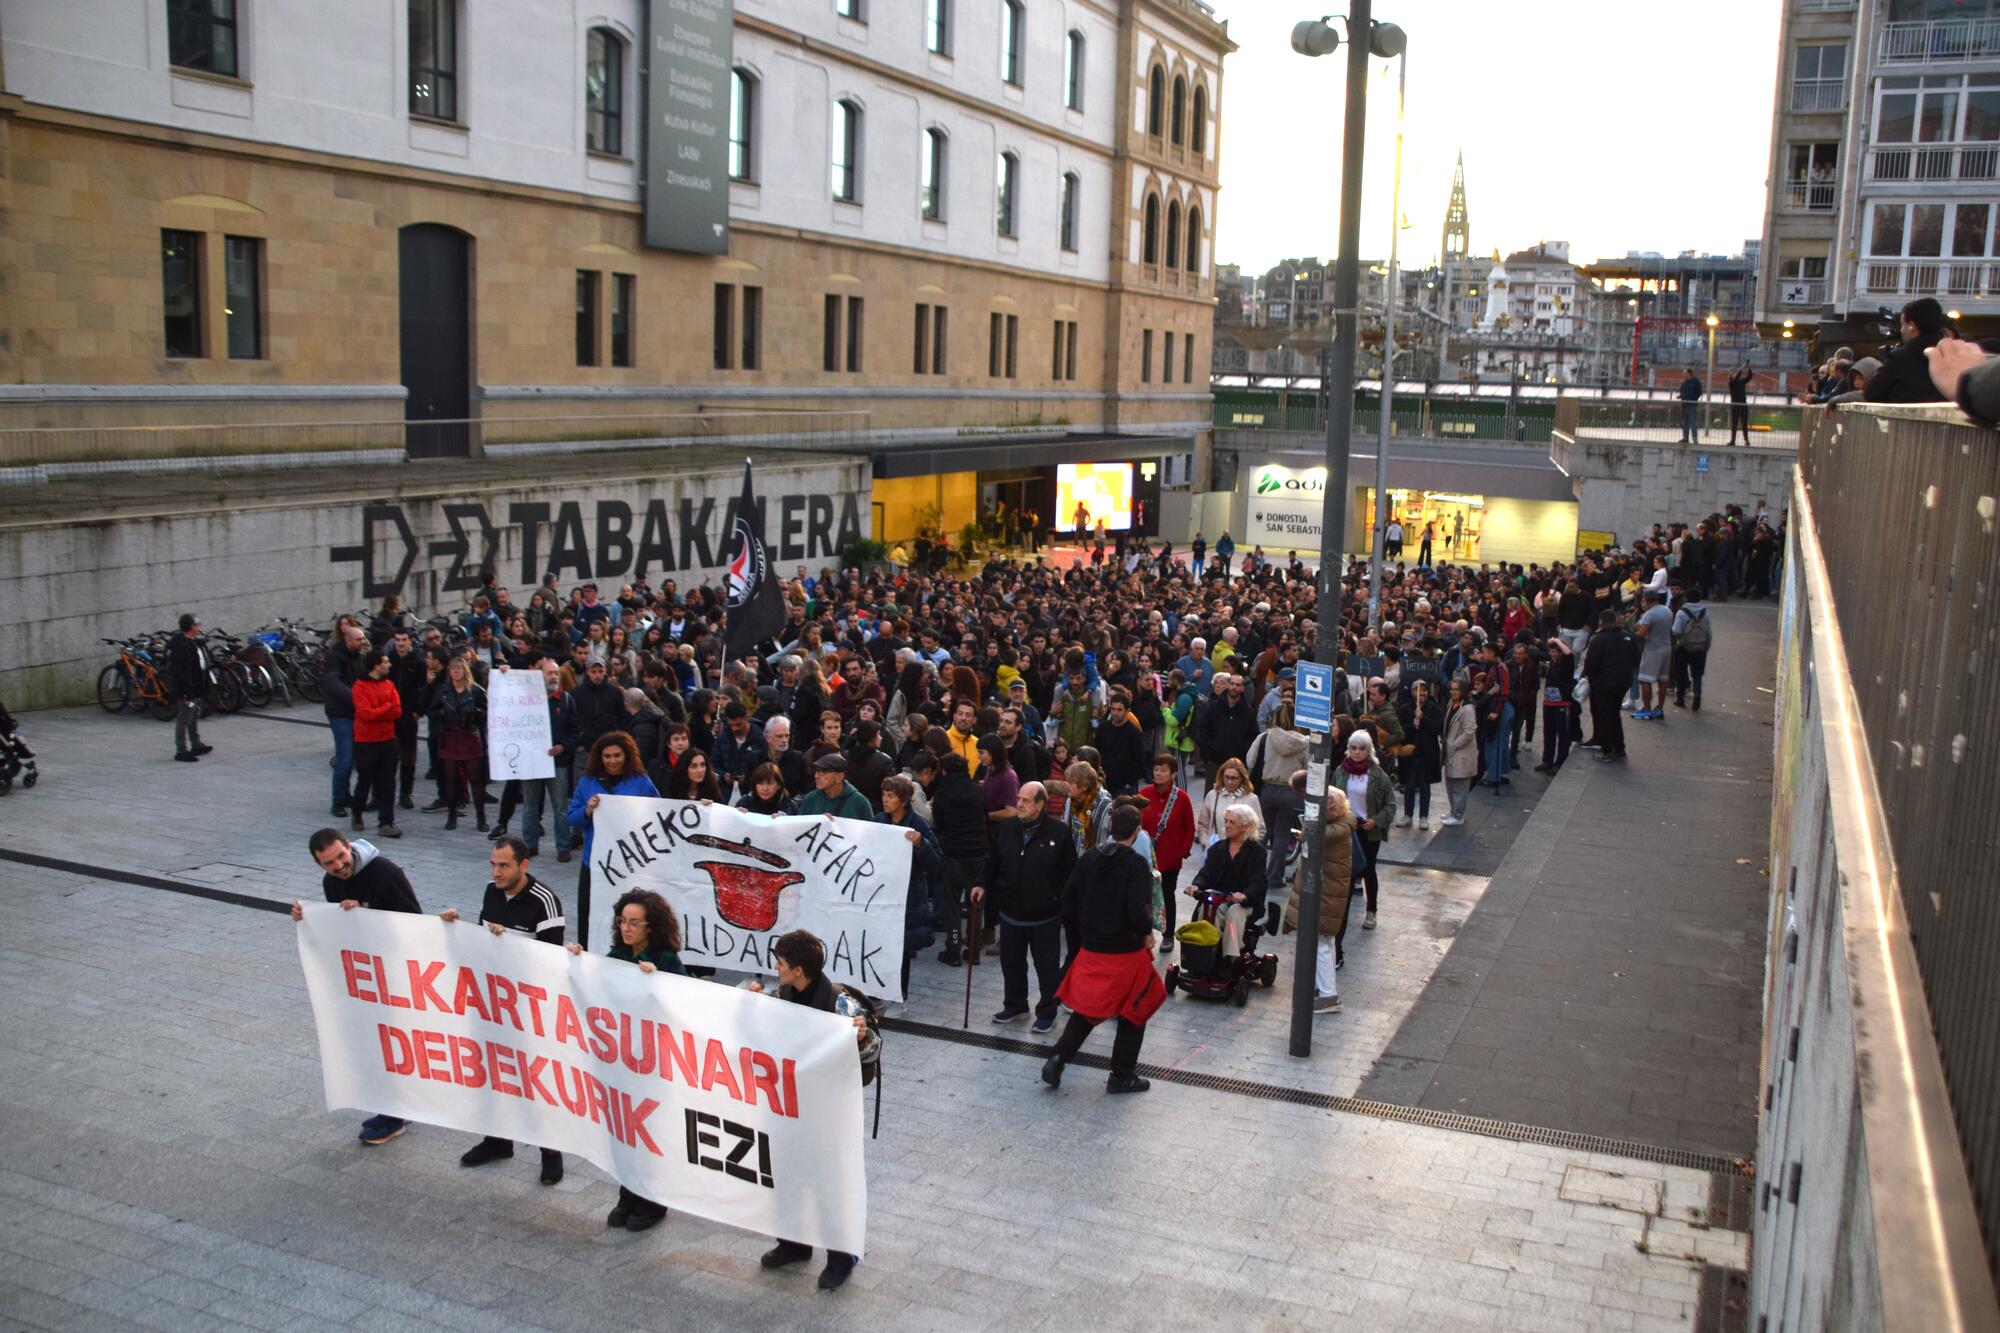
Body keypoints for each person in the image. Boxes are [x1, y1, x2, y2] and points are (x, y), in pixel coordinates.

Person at [441, 837, 568, 1185]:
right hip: (491, 1004)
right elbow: (482, 943)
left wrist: (507, 944)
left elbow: (550, 964)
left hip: (528, 1010)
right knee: (493, 1074)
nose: (496, 872)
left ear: (523, 866)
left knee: (534, 1082)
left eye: (504, 866)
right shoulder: (490, 892)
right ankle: (498, 1140)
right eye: (493, 865)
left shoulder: (546, 903)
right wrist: (456, 928)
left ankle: (550, 1152)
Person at [749, 930, 869, 1291]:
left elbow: (873, 1049)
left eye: (781, 963)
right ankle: (793, 1243)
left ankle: (840, 1256)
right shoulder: (783, 994)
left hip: (827, 1113)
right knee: (788, 1177)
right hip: (789, 1107)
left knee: (829, 1184)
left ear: (799, 970)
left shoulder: (840, 1003)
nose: (776, 968)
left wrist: (861, 1038)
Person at [291, 828, 423, 1145]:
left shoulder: (386, 873)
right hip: (367, 975)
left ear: (349, 846)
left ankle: (395, 1113)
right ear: (319, 865)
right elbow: (338, 929)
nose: (338, 866)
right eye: (328, 863)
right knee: (374, 1042)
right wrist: (307, 918)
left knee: (390, 1043)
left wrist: (366, 915)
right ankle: (393, 1107)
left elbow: (415, 920)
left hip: (394, 972)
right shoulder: (331, 882)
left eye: (340, 856)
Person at [564, 889, 684, 1231]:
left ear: (651, 927)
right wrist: (579, 960)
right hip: (621, 1059)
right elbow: (596, 986)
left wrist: (657, 983)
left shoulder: (667, 960)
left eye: (635, 922)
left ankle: (653, 1200)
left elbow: (686, 1004)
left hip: (652, 1062)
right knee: (625, 1131)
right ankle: (628, 1193)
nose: (627, 928)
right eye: (623, 921)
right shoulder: (617, 954)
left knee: (648, 1134)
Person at [1041, 805, 1164, 1095]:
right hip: (1125, 952)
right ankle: (1122, 1075)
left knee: (1086, 1009)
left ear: (1110, 828)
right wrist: (1147, 932)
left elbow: (1069, 901)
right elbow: (1139, 911)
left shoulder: (1089, 859)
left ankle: (1058, 1057)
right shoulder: (1136, 865)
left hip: (1093, 948)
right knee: (1136, 1008)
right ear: (1136, 832)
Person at [972, 782, 1079, 1035]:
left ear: (1041, 804)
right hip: (1010, 912)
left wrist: (1059, 901)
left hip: (1045, 916)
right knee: (1011, 963)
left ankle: (1047, 1012)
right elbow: (992, 861)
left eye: (1026, 800)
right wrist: (981, 884)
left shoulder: (1058, 832)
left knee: (1047, 968)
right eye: (1019, 798)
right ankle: (1016, 1006)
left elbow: (1070, 873)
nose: (1019, 804)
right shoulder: (1007, 829)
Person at [567, 731, 659, 949]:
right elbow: (571, 816)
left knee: (627, 916)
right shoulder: (587, 781)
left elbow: (658, 813)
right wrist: (587, 811)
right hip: (594, 863)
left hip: (629, 864)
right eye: (607, 756)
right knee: (590, 915)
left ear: (626, 755)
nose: (612, 761)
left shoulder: (641, 782)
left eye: (617, 755)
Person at [1285, 787, 1357, 1014]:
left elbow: (1317, 836)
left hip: (1326, 893)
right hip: (1327, 891)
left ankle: (1328, 995)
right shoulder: (1340, 822)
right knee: (1323, 942)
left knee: (1321, 943)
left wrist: (1306, 829)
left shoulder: (1339, 826)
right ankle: (1324, 989)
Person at [1246, 703, 1308, 932]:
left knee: (1261, 833)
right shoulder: (1305, 743)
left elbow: (1250, 760)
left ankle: (1254, 871)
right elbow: (1308, 768)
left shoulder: (1264, 738)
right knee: (1282, 836)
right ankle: (1275, 876)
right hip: (1291, 791)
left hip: (1266, 789)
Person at [878, 775, 940, 996]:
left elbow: (935, 864)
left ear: (903, 800)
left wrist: (921, 844)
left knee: (900, 949)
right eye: (884, 795)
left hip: (908, 897)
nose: (885, 800)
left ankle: (899, 993)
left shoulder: (918, 824)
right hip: (880, 895)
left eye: (890, 796)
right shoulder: (879, 821)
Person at [929, 751, 990, 965]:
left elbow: (939, 822)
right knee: (976, 906)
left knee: (953, 906)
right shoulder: (977, 789)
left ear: (944, 770)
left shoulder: (943, 792)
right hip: (979, 855)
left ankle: (953, 949)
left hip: (954, 855)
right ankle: (973, 951)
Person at [1190, 802, 1267, 955]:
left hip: (1245, 902)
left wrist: (1245, 895)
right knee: (1206, 910)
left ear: (1245, 826)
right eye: (1226, 821)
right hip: (1221, 898)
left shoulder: (1257, 852)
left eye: (1232, 822)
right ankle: (1205, 954)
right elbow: (1206, 873)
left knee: (1234, 913)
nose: (1227, 825)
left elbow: (1258, 881)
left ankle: (1230, 957)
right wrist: (1196, 885)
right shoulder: (1217, 848)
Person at [1136, 754, 1194, 953]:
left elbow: (1189, 828)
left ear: (1173, 774)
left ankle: (1168, 934)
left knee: (1168, 895)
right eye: (1156, 769)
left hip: (1169, 859)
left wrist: (1182, 851)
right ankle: (1143, 933)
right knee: (1142, 896)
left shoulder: (1182, 798)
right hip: (1144, 858)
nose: (1158, 774)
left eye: (1163, 770)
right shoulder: (1143, 794)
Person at [1339, 730, 1393, 929]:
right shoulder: (1341, 771)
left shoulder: (1378, 775)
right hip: (1348, 828)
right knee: (1348, 871)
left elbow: (1390, 804)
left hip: (1368, 829)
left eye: (1361, 749)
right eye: (1353, 748)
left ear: (1368, 751)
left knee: (1369, 869)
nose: (1357, 752)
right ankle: (1342, 912)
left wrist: (1376, 821)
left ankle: (1371, 911)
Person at [348, 650, 403, 838]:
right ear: (376, 665)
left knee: (388, 782)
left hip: (388, 739)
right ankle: (357, 812)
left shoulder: (389, 684)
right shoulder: (360, 686)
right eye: (385, 662)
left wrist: (382, 710)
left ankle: (386, 822)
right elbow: (366, 714)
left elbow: (397, 711)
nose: (389, 664)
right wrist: (386, 707)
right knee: (365, 780)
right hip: (366, 741)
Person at [428, 656, 487, 831]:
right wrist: (441, 715)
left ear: (465, 670)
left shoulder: (475, 690)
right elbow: (430, 710)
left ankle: (480, 817)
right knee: (451, 780)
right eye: (453, 669)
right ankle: (452, 815)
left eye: (459, 668)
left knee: (476, 780)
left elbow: (487, 711)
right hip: (450, 735)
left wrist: (475, 713)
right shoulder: (444, 690)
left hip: (469, 735)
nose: (456, 671)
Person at [1865, 297, 1948, 404]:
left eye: (1902, 325)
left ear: (1911, 326)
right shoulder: (1952, 355)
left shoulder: (1900, 357)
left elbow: (1871, 393)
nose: (1901, 330)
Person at [1584, 608, 1637, 763]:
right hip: (1622, 683)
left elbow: (1591, 664)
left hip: (1603, 684)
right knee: (1614, 714)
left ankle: (1608, 749)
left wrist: (1590, 677)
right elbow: (1636, 658)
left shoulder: (1599, 639)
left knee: (1606, 716)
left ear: (1601, 622)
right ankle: (1618, 747)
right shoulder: (1628, 636)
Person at [323, 623, 365, 814]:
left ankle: (346, 795)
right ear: (348, 640)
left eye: (363, 638)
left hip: (356, 714)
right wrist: (356, 697)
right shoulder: (335, 658)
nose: (362, 642)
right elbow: (333, 682)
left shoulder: (358, 657)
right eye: (359, 639)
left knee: (354, 757)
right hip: (341, 713)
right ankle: (338, 800)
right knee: (345, 757)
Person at [1395, 678, 1442, 830]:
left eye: (1424, 690)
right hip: (1409, 754)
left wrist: (1423, 719)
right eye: (1418, 690)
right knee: (1408, 786)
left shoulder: (1433, 708)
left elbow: (1438, 728)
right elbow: (1399, 730)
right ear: (1412, 692)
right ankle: (1407, 815)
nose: (1421, 694)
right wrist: (1412, 725)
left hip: (1427, 753)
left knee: (1425, 787)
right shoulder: (1404, 708)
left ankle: (1424, 816)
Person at [167, 612, 211, 763]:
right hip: (187, 689)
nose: (200, 626)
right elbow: (181, 672)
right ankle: (181, 750)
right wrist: (186, 693)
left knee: (193, 717)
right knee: (184, 718)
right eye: (198, 624)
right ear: (191, 626)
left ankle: (196, 744)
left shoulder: (193, 642)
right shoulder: (182, 646)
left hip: (195, 686)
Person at [1536, 639, 1577, 773]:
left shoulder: (1567, 663)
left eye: (1555, 651)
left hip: (1562, 702)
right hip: (1549, 702)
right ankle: (1547, 761)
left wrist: (1557, 640)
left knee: (1562, 733)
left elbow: (1568, 653)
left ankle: (1560, 762)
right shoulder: (1552, 664)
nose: (1552, 654)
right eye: (1551, 651)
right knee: (1548, 732)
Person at [1633, 587, 1673, 721]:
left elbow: (1643, 634)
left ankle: (1647, 709)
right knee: (1662, 680)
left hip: (1653, 649)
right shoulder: (1667, 610)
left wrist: (1635, 632)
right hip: (1667, 647)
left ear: (1647, 600)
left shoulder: (1649, 614)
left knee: (1645, 679)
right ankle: (1659, 708)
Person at [1196, 756, 1255, 847]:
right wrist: (1206, 843)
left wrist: (1246, 848)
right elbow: (1202, 825)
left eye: (1234, 778)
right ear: (1221, 776)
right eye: (1227, 777)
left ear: (1242, 778)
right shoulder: (1212, 795)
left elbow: (1259, 829)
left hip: (1241, 854)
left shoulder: (1251, 799)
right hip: (1215, 851)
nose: (1230, 782)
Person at [797, 753, 873, 821]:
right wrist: (818, 821)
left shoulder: (859, 802)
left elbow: (869, 833)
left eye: (823, 772)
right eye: (816, 771)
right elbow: (799, 828)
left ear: (839, 777)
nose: (816, 776)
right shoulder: (810, 799)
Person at [1671, 591, 1713, 711]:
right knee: (1697, 674)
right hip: (1700, 647)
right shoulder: (1705, 612)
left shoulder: (1682, 612)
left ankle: (1680, 698)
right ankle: (1697, 698)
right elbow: (1709, 631)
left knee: (1680, 672)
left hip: (1683, 646)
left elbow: (1676, 630)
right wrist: (1706, 645)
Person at [1726, 360, 1754, 444]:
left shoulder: (1741, 382)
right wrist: (1742, 368)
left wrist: (1749, 367)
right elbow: (1737, 376)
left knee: (1744, 423)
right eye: (1731, 374)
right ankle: (1733, 440)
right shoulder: (1731, 383)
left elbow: (1749, 377)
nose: (1733, 374)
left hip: (1743, 404)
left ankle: (1746, 440)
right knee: (1734, 423)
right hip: (1735, 405)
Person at [1677, 367, 1703, 443]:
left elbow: (1699, 392)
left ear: (1689, 373)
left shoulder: (1696, 382)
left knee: (1693, 421)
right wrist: (1681, 396)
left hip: (1692, 404)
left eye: (1685, 373)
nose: (1684, 375)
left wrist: (1693, 399)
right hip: (1684, 404)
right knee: (1684, 422)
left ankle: (1694, 438)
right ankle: (1685, 437)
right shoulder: (1684, 383)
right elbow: (1682, 391)